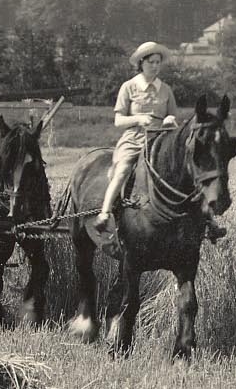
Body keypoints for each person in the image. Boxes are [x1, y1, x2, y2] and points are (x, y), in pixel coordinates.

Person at [95, 41, 224, 241]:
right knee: (122, 170)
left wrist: (170, 120)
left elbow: (174, 118)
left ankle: (207, 220)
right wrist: (138, 118)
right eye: (151, 62)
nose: (155, 66)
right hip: (134, 139)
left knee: (187, 173)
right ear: (141, 63)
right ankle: (105, 212)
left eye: (158, 62)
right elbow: (118, 120)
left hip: (162, 141)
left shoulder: (166, 90)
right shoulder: (128, 87)